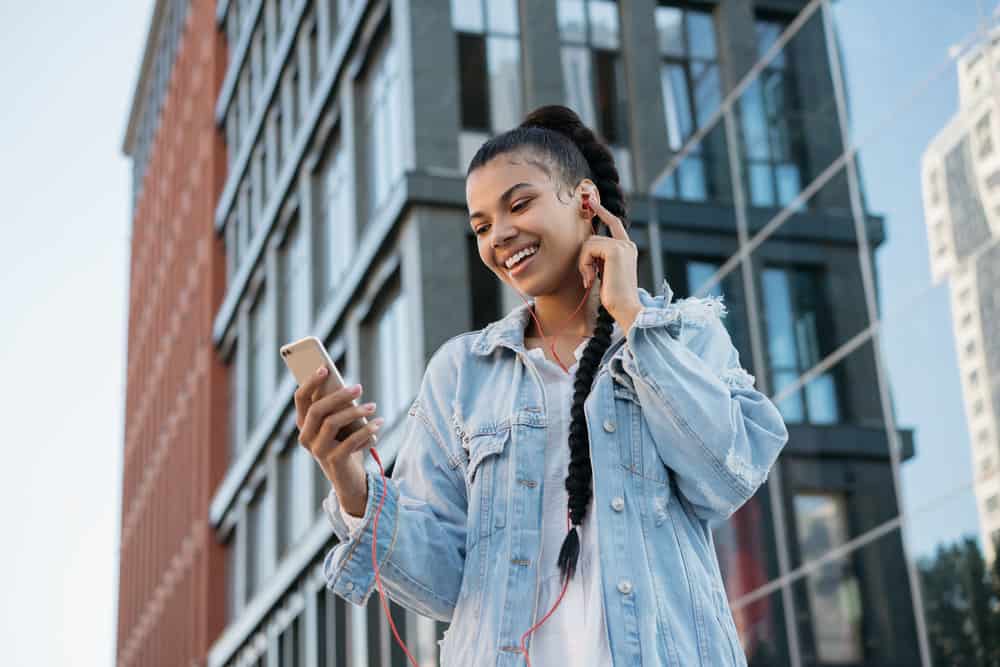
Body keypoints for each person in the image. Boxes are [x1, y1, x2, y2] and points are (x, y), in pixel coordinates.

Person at [293, 105, 789, 666]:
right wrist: (351, 483)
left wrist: (631, 317)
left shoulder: (684, 335)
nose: (500, 235)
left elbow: (725, 478)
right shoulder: (461, 373)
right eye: (481, 226)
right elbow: (441, 584)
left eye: (519, 204)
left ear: (583, 202)